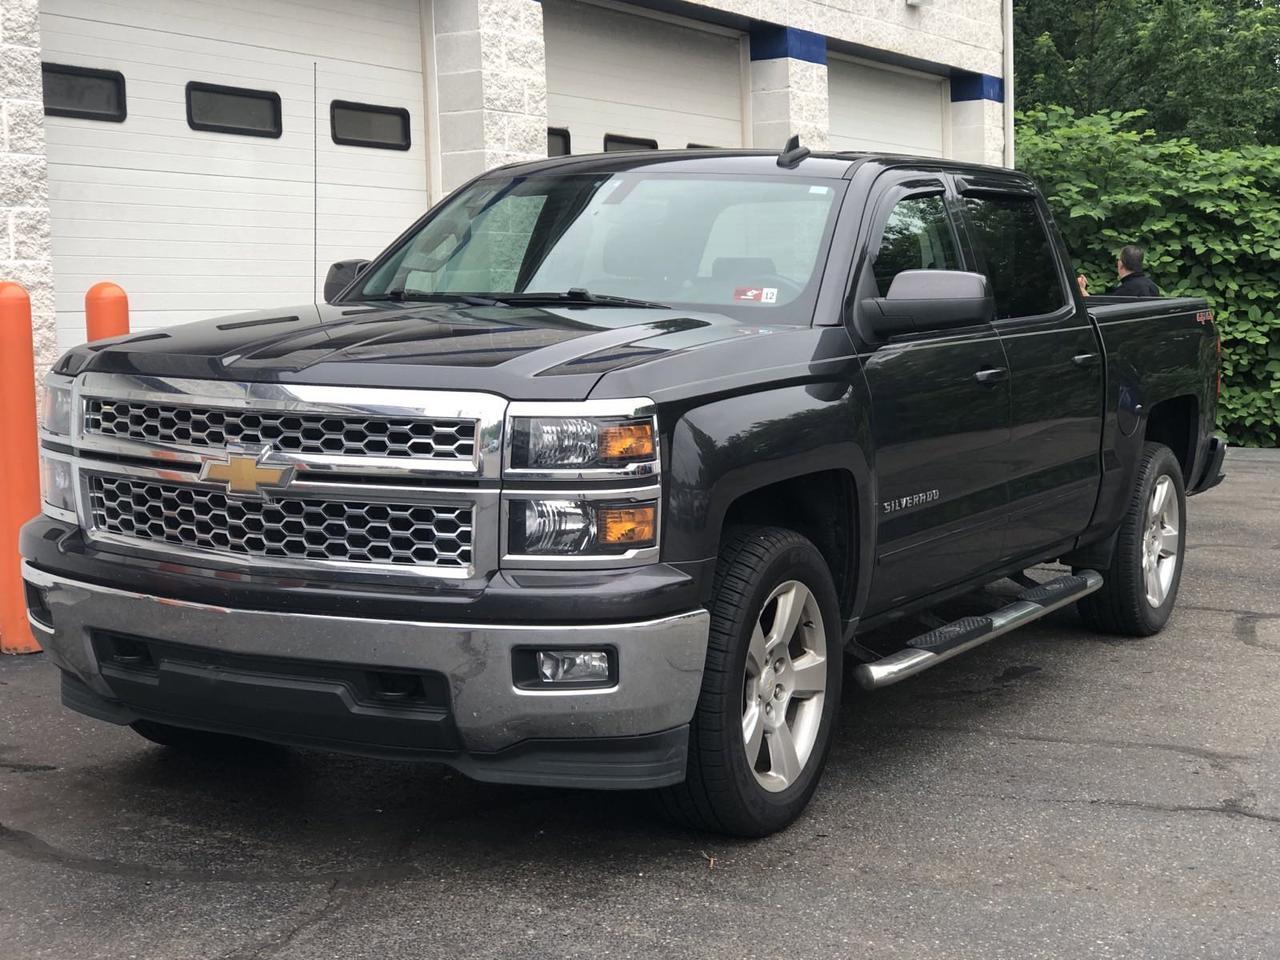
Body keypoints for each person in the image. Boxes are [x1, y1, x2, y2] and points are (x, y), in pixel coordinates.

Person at [1076, 244, 1161, 298]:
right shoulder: (1152, 286)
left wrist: (1081, 289)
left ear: (1121, 264)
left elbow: (1101, 309)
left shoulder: (1128, 290)